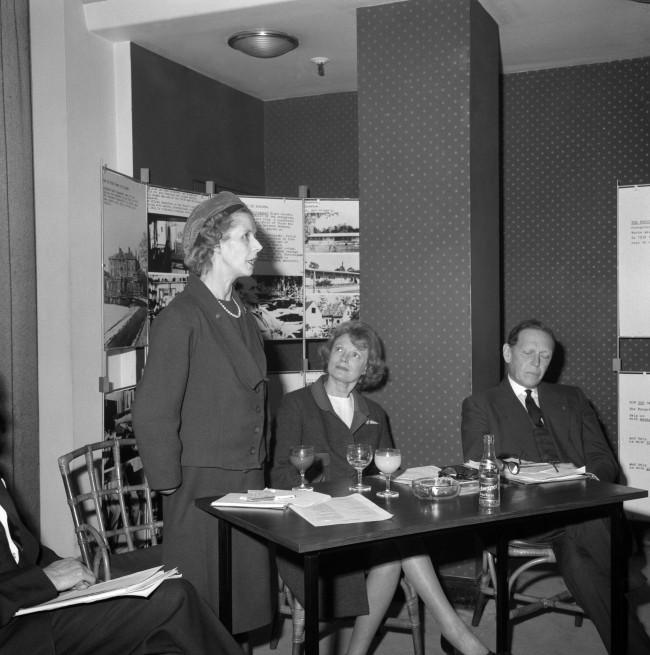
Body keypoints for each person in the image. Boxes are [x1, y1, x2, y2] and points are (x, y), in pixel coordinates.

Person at [271, 321, 496, 655]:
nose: (344, 357)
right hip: (312, 526)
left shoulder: (374, 413)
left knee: (396, 547)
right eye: (339, 349)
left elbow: (384, 474)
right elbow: (281, 476)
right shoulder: (297, 404)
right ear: (328, 354)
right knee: (397, 547)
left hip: (363, 524)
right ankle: (459, 638)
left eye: (356, 353)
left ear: (367, 368)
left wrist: (420, 481)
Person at [461, 318, 650, 655]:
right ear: (508, 352)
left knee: (583, 565)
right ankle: (627, 574)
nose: (536, 362)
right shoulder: (481, 404)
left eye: (545, 356)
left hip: (578, 515)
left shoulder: (572, 397)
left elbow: (604, 461)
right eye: (528, 352)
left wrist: (579, 475)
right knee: (588, 516)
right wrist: (547, 472)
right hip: (523, 514)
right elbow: (482, 462)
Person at [132, 192, 273, 635]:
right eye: (247, 236)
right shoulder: (181, 316)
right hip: (198, 483)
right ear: (213, 243)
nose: (258, 247)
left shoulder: (242, 315)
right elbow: (153, 410)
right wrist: (170, 486)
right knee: (201, 610)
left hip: (245, 476)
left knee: (241, 604)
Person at [0, 478, 243, 655]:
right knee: (174, 600)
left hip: (31, 605)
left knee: (171, 618)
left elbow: (21, 551)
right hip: (18, 632)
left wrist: (64, 569)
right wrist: (46, 579)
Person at [236, 276, 300, 339]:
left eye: (256, 288)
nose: (257, 292)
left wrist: (297, 329)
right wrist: (291, 336)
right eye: (252, 289)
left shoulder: (258, 308)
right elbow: (270, 338)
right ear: (240, 293)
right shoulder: (245, 316)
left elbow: (280, 325)